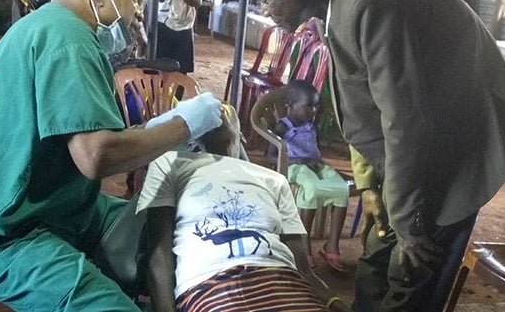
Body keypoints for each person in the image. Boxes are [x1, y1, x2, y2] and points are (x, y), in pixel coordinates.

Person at [245, 0, 505, 312]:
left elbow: (406, 122)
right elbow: (361, 100)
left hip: (454, 144)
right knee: (376, 261)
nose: (263, 9)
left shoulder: (366, 2)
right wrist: (368, 185)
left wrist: (409, 224)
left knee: (412, 272)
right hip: (417, 142)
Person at [0, 0, 223, 312]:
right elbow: (96, 156)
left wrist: (155, 128)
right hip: (0, 229)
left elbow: (83, 131)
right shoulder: (69, 38)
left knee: (161, 232)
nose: (136, 11)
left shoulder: (47, 25)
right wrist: (185, 124)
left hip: (45, 201)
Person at [138, 103, 350, 312]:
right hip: (210, 287)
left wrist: (335, 303)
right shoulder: (170, 165)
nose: (217, 107)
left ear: (243, 137)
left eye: (226, 108)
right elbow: (158, 256)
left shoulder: (274, 180)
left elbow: (305, 270)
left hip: (284, 282)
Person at [274, 79, 349, 273]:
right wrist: (297, 162)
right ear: (289, 106)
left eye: (315, 107)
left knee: (342, 189)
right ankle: (304, 247)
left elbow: (315, 150)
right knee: (312, 189)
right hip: (294, 167)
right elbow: (272, 155)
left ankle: (331, 246)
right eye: (308, 107)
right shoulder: (283, 127)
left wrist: (319, 165)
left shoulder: (313, 127)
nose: (313, 111)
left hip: (316, 166)